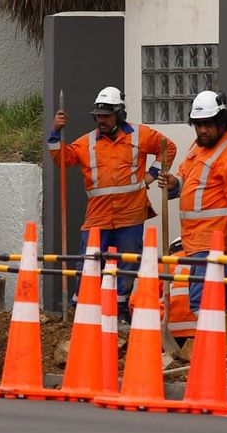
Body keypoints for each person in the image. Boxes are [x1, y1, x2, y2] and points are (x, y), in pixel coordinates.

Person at [48, 87, 175, 310]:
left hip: (131, 214)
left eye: (106, 116)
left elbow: (168, 148)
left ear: (119, 113)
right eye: (98, 116)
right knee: (89, 262)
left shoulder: (141, 135)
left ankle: (119, 309)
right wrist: (55, 133)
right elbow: (62, 159)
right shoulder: (87, 143)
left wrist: (151, 176)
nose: (101, 120)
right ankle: (82, 308)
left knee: (127, 263)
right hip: (98, 216)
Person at [157, 90, 227, 351]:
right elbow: (184, 177)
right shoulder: (198, 147)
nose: (202, 130)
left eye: (207, 125)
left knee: (202, 297)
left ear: (222, 123)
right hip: (200, 239)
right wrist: (173, 183)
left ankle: (214, 352)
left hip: (217, 239)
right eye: (198, 125)